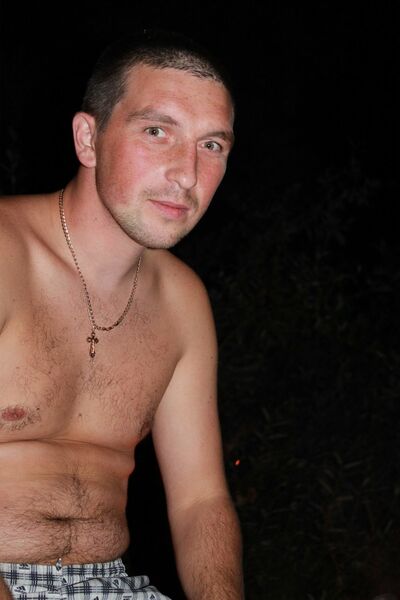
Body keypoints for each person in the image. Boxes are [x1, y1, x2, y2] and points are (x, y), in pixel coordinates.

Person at [0, 28, 244, 600]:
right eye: (157, 132)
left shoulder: (181, 302)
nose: (187, 174)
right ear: (88, 139)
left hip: (109, 584)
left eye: (212, 145)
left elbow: (201, 501)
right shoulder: (6, 254)